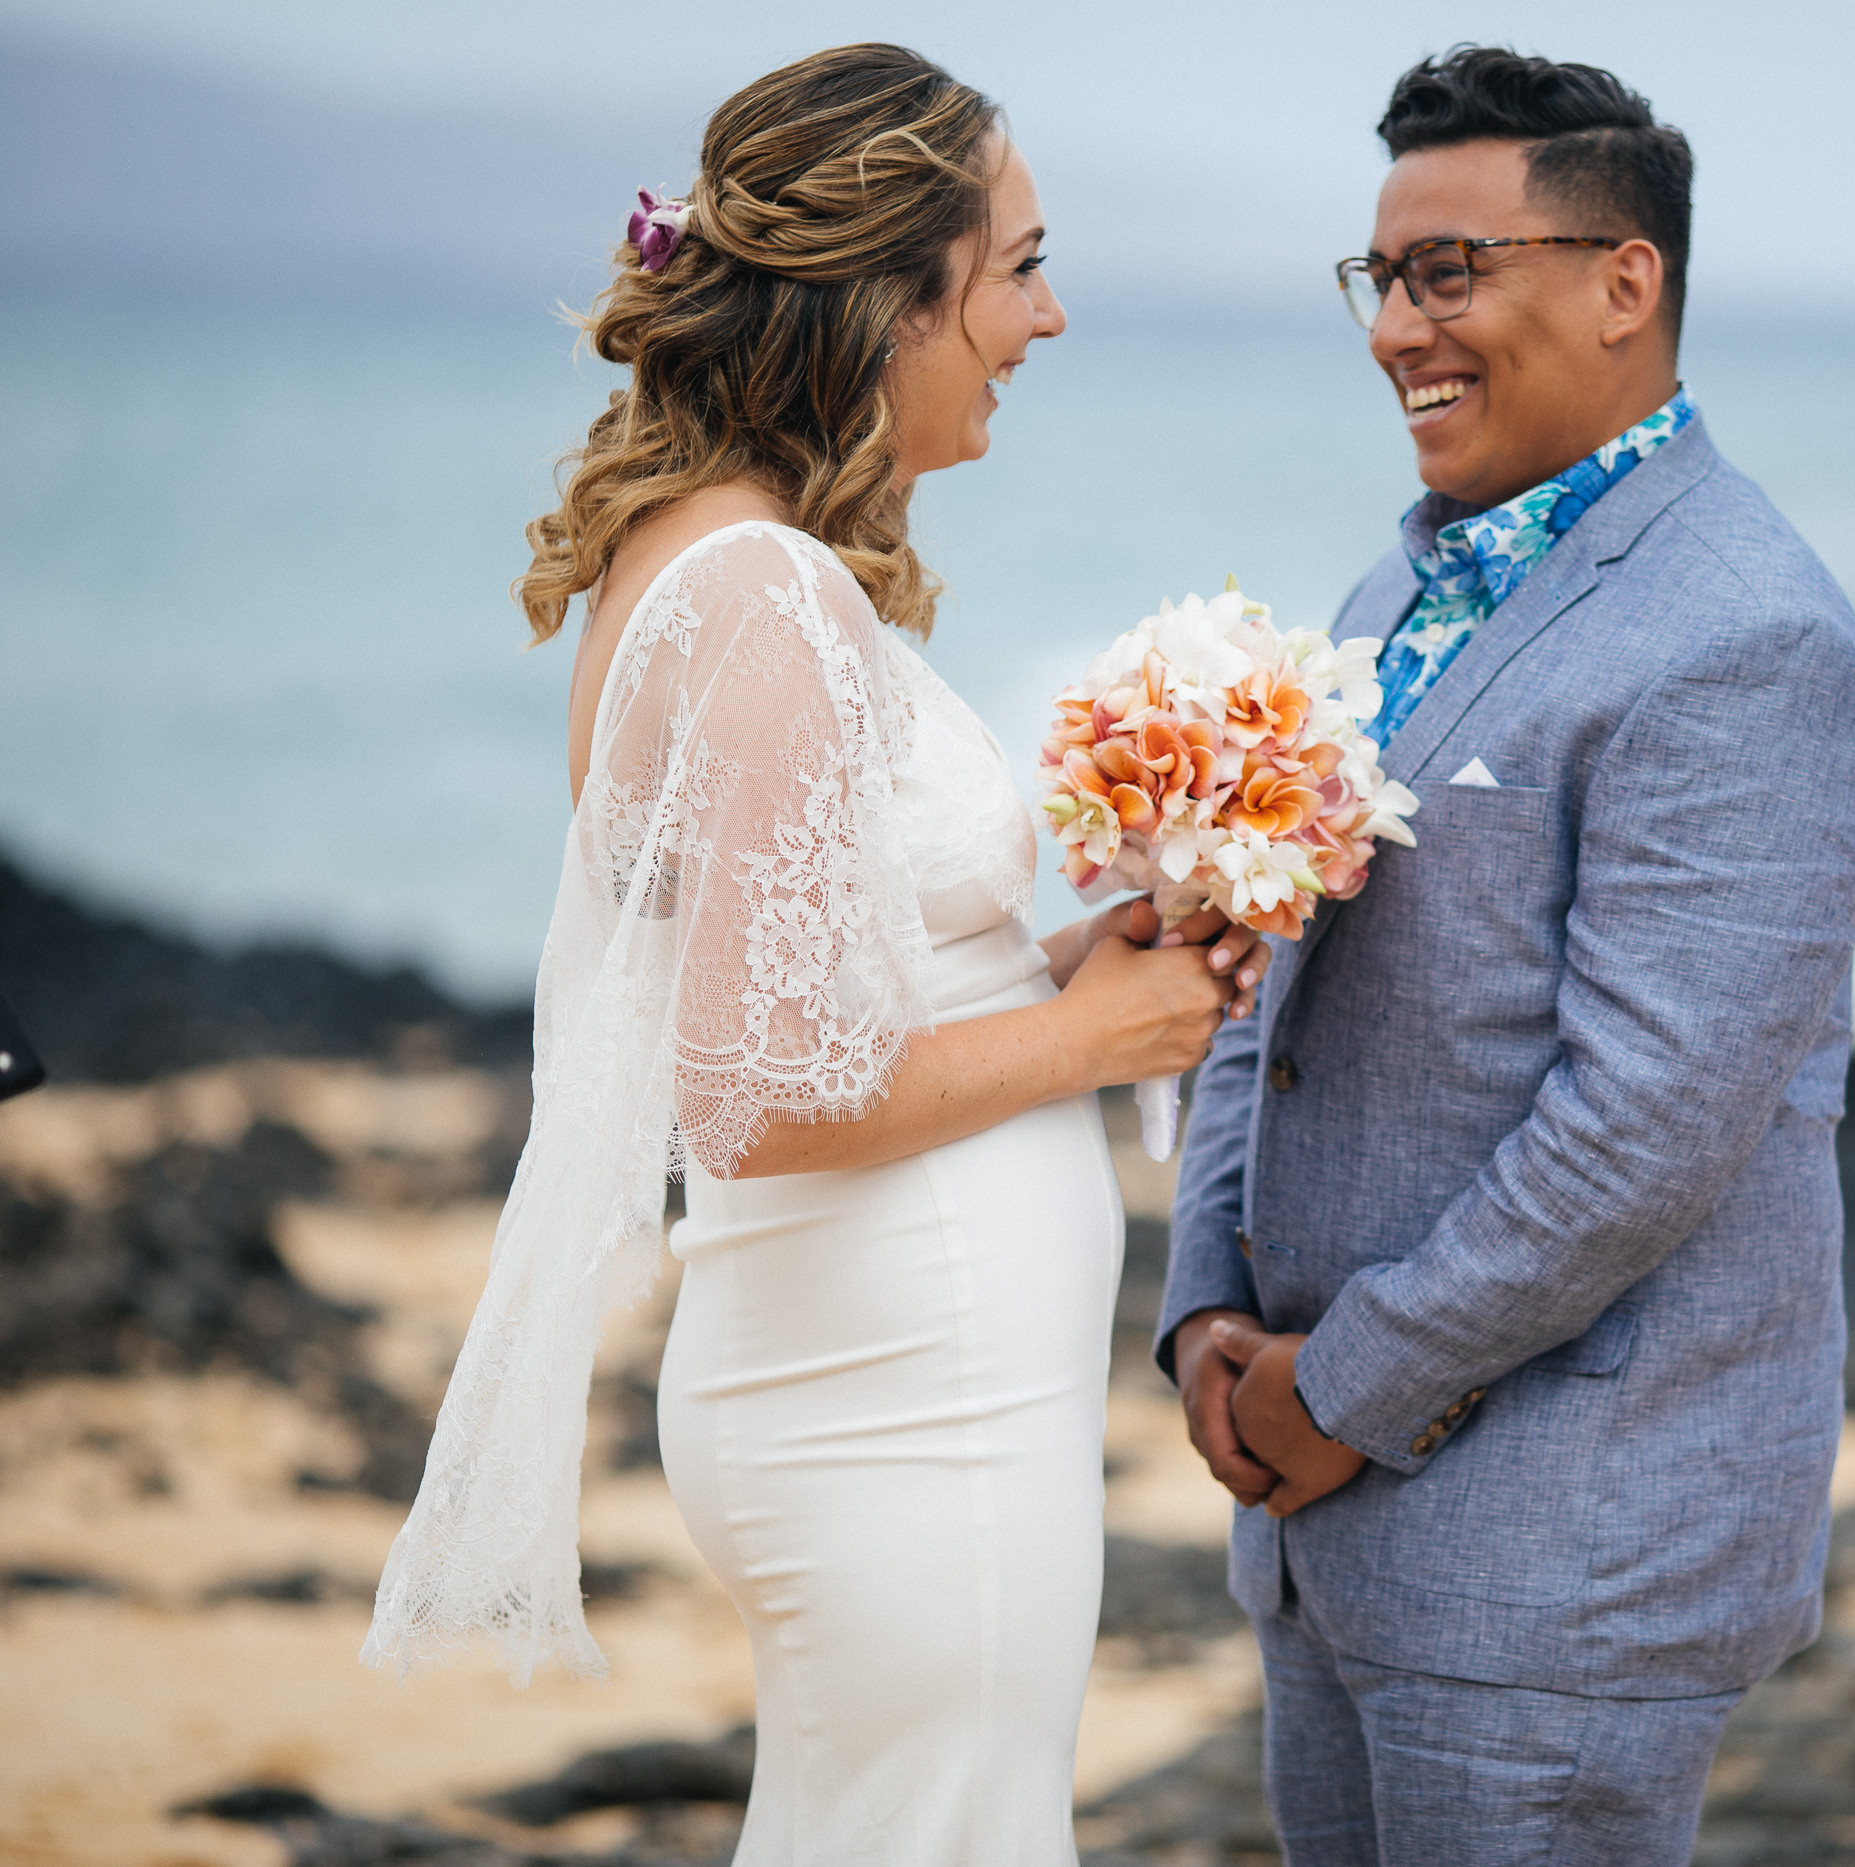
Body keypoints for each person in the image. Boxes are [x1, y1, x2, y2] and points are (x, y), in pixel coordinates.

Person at [361, 44, 1268, 1866]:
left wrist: (1061, 962)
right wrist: (1101, 1037)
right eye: (1017, 265)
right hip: (899, 1408)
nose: (1051, 313)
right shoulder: (763, 594)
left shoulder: (712, 568)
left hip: (881, 1381)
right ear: (889, 299)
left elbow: (817, 983)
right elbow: (761, 1088)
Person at [1159, 46, 1855, 1866]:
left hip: (1563, 1562)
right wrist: (1199, 1311)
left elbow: (1640, 1127)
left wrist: (1338, 1392)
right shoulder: (1394, 596)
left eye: (1449, 272)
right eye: (1382, 278)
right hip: (1321, 1531)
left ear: (1623, 279)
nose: (1395, 327)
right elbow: (1274, 999)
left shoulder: (1746, 642)